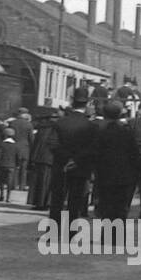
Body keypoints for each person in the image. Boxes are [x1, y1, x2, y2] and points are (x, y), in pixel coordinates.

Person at [49, 89, 98, 222]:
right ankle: (70, 234)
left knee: (57, 200)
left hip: (60, 166)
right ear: (87, 103)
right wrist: (75, 159)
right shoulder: (91, 126)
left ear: (72, 100)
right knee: (75, 201)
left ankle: (52, 234)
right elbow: (92, 148)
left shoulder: (60, 122)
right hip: (80, 167)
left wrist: (66, 158)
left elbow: (53, 144)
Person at [94, 101, 138, 221]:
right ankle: (118, 237)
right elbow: (134, 154)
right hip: (123, 177)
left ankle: (107, 237)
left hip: (105, 177)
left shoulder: (100, 133)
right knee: (120, 210)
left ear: (104, 115)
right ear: (119, 115)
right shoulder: (127, 132)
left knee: (107, 209)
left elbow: (95, 154)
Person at [27, 113, 57, 209]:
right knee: (47, 182)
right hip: (50, 159)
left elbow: (35, 144)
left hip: (38, 158)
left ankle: (38, 203)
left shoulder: (41, 129)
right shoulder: (56, 130)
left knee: (38, 182)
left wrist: (32, 158)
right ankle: (45, 203)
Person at [12, 107, 33, 192]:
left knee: (15, 167)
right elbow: (31, 138)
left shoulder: (12, 123)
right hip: (25, 148)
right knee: (23, 168)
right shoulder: (29, 124)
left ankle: (13, 184)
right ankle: (22, 185)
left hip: (14, 147)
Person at [0, 124, 18, 203]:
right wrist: (17, 164)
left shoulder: (2, 144)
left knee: (1, 181)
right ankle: (8, 197)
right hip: (12, 165)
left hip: (2, 164)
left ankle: (1, 195)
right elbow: (17, 156)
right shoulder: (15, 145)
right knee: (9, 182)